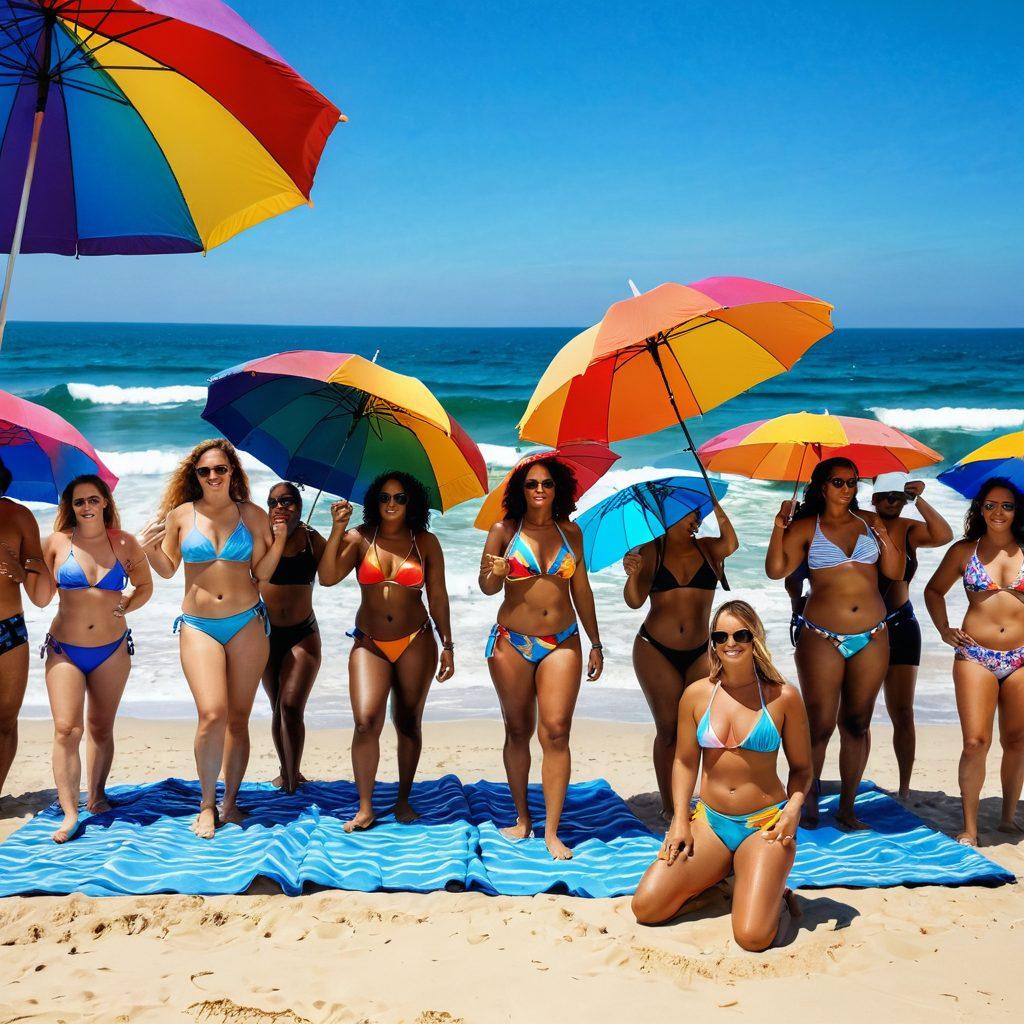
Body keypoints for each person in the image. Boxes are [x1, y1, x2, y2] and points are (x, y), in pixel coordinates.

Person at [631, 601, 812, 951]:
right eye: (721, 635)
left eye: (741, 634)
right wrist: (679, 820)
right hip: (710, 824)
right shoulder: (697, 695)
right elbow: (684, 763)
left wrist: (793, 810)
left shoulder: (783, 697)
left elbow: (803, 770)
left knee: (753, 937)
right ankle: (723, 882)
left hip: (763, 826)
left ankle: (777, 896)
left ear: (755, 637)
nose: (732, 642)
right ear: (712, 642)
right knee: (646, 907)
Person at [139, 440, 285, 839]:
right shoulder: (181, 516)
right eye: (205, 472)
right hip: (199, 625)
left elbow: (264, 572)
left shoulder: (252, 516)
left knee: (238, 718)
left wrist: (281, 540)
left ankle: (230, 802)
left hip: (247, 623)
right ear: (196, 476)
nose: (213, 477)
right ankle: (206, 804)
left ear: (233, 472)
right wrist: (149, 549)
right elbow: (168, 569)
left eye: (220, 469)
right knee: (212, 714)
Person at [765, 457, 902, 829]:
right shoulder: (808, 526)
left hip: (873, 633)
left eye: (852, 482)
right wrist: (779, 528)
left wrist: (884, 533)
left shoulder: (869, 524)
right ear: (822, 487)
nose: (846, 489)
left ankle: (847, 808)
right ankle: (805, 803)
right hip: (822, 636)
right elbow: (775, 570)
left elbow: (894, 572)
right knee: (820, 724)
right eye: (838, 482)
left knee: (857, 723)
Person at [479, 458, 603, 860]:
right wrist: (495, 572)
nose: (539, 490)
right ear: (520, 489)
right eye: (531, 484)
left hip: (563, 641)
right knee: (518, 730)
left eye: (547, 484)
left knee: (556, 731)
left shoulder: (571, 532)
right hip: (512, 642)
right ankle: (522, 819)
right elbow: (485, 587)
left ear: (557, 490)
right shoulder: (504, 531)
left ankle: (552, 831)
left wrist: (596, 642)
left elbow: (581, 590)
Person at [320, 472, 454, 830]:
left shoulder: (425, 542)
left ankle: (403, 798)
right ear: (374, 502)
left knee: (408, 721)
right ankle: (365, 807)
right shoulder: (359, 538)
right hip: (370, 642)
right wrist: (336, 529)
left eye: (399, 498)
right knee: (366, 721)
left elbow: (438, 596)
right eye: (384, 497)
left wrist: (448, 644)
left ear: (411, 504)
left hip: (416, 639)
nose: (391, 504)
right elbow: (328, 576)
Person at [40, 476, 152, 842]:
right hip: (65, 649)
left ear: (105, 502)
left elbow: (145, 585)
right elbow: (41, 598)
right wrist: (22, 566)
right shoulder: (57, 543)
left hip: (112, 649)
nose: (86, 507)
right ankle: (71, 813)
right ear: (69, 508)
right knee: (66, 729)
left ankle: (97, 794)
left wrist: (125, 606)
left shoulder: (124, 542)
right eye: (78, 502)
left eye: (92, 499)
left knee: (101, 728)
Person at [622, 494, 738, 817]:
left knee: (701, 730)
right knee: (669, 729)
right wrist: (633, 573)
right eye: (689, 514)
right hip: (655, 649)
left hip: (702, 650)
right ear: (669, 515)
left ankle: (699, 798)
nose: (696, 521)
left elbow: (732, 542)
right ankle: (671, 807)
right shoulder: (650, 550)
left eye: (698, 515)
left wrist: (715, 504)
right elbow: (634, 601)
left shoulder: (708, 548)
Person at [924, 478, 1024, 845]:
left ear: (1017, 511)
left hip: (1021, 657)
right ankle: (969, 827)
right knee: (975, 742)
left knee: (1017, 739)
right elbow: (933, 591)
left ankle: (1009, 818)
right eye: (991, 505)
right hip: (975, 654)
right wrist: (943, 630)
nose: (998, 512)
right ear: (980, 509)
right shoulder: (965, 551)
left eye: (1007, 506)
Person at [871, 472, 953, 798]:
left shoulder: (908, 528)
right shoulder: (860, 526)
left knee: (902, 712)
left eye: (897, 495)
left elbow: (943, 534)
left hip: (902, 624)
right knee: (853, 712)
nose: (891, 500)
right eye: (885, 495)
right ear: (874, 496)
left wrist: (918, 499)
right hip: (864, 630)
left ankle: (904, 789)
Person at [259, 482, 326, 794]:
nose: (280, 507)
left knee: (290, 705)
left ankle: (291, 778)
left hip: (303, 633)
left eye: (287, 501)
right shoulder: (262, 538)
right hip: (266, 635)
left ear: (299, 506)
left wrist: (338, 530)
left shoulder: (311, 539)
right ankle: (287, 771)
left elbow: (329, 575)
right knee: (276, 707)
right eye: (273, 502)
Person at [0, 456, 55, 798]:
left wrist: (21, 571)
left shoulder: (18, 516)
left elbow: (41, 590)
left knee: (5, 720)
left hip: (9, 629)